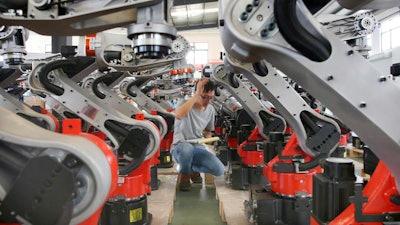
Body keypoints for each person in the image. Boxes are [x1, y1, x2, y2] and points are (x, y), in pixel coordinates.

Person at [171, 78, 225, 191]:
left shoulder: (210, 110)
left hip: (197, 147)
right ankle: (184, 175)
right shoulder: (184, 104)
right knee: (187, 149)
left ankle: (191, 168)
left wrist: (210, 138)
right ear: (196, 93)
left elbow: (207, 132)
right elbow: (179, 115)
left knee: (219, 169)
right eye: (204, 97)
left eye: (211, 98)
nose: (208, 101)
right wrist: (195, 96)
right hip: (180, 147)